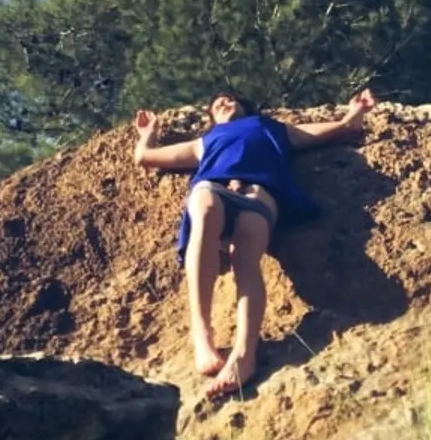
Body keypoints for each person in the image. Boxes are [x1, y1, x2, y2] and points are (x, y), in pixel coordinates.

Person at [133, 88, 376, 399]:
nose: (223, 100)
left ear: (245, 107)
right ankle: (202, 337)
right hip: (214, 189)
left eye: (230, 97)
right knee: (205, 209)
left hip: (258, 195)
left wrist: (354, 114)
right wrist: (148, 134)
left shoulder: (271, 127)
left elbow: (340, 130)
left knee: (245, 256)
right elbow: (145, 157)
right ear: (211, 117)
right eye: (216, 101)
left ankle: (244, 356)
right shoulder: (204, 142)